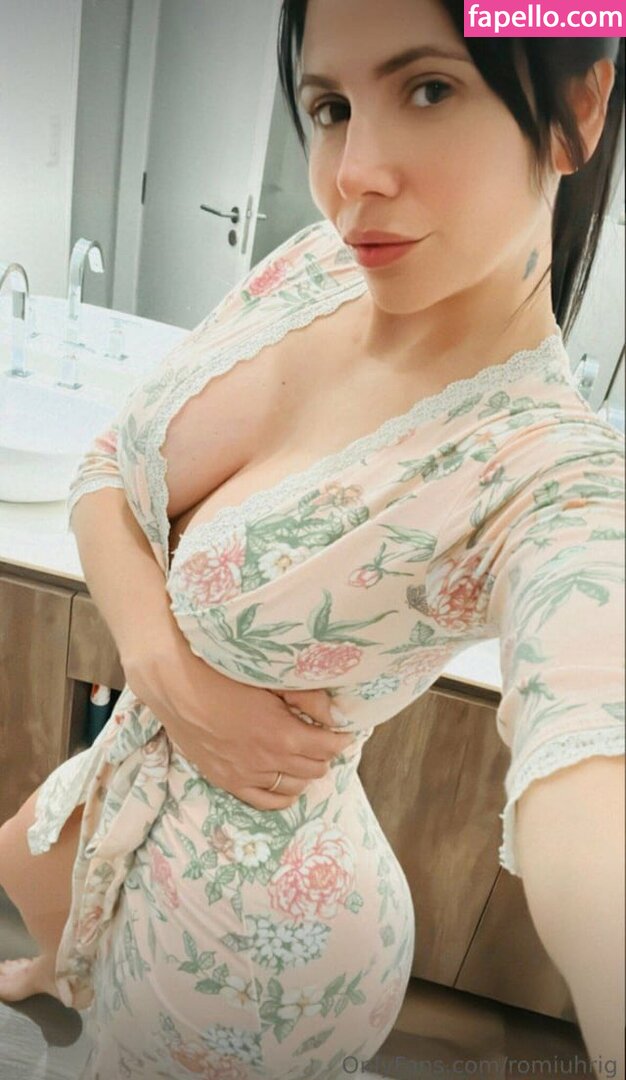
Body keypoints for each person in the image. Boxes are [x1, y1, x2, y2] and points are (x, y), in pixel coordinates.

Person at [1, 1, 624, 1077]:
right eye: (331, 107)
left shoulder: (545, 473)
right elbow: (105, 468)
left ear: (576, 110)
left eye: (428, 88)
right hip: (135, 779)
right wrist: (170, 673)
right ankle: (65, 967)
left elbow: (592, 748)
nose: (352, 176)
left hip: (251, 957)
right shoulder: (316, 266)